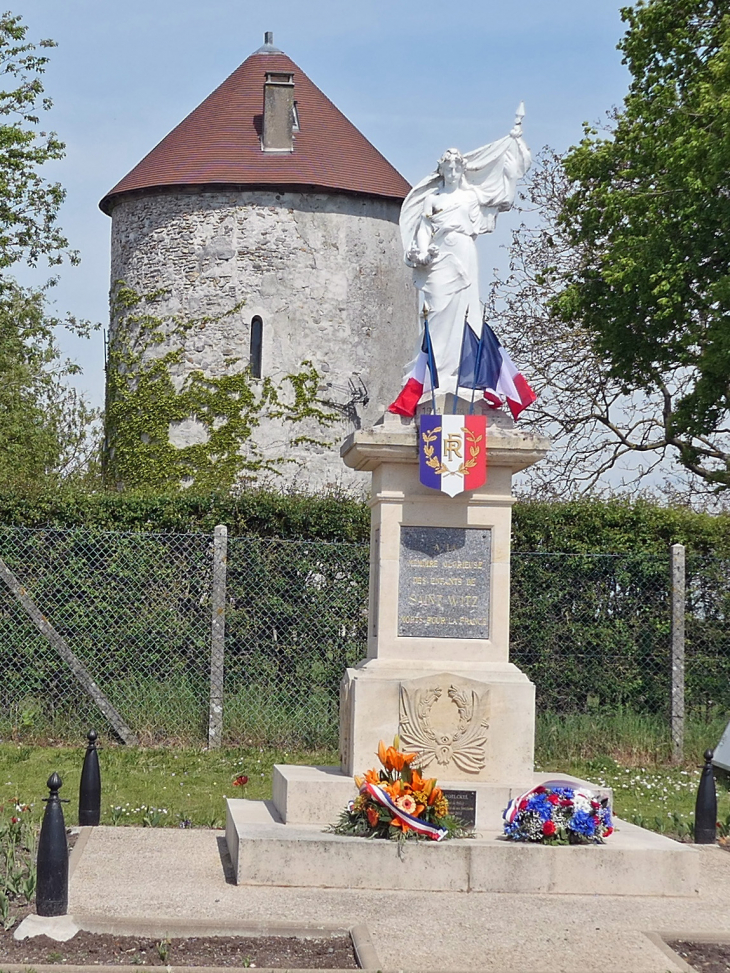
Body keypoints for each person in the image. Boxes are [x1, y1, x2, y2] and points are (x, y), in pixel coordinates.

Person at [391, 107, 531, 412]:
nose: (452, 171)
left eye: (457, 166)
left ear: (461, 169)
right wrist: (422, 252)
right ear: (442, 170)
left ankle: (459, 374)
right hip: (440, 259)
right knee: (438, 311)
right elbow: (424, 232)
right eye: (448, 167)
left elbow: (502, 196)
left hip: (465, 253)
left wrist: (513, 150)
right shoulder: (433, 199)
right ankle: (433, 374)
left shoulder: (470, 196)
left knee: (466, 313)